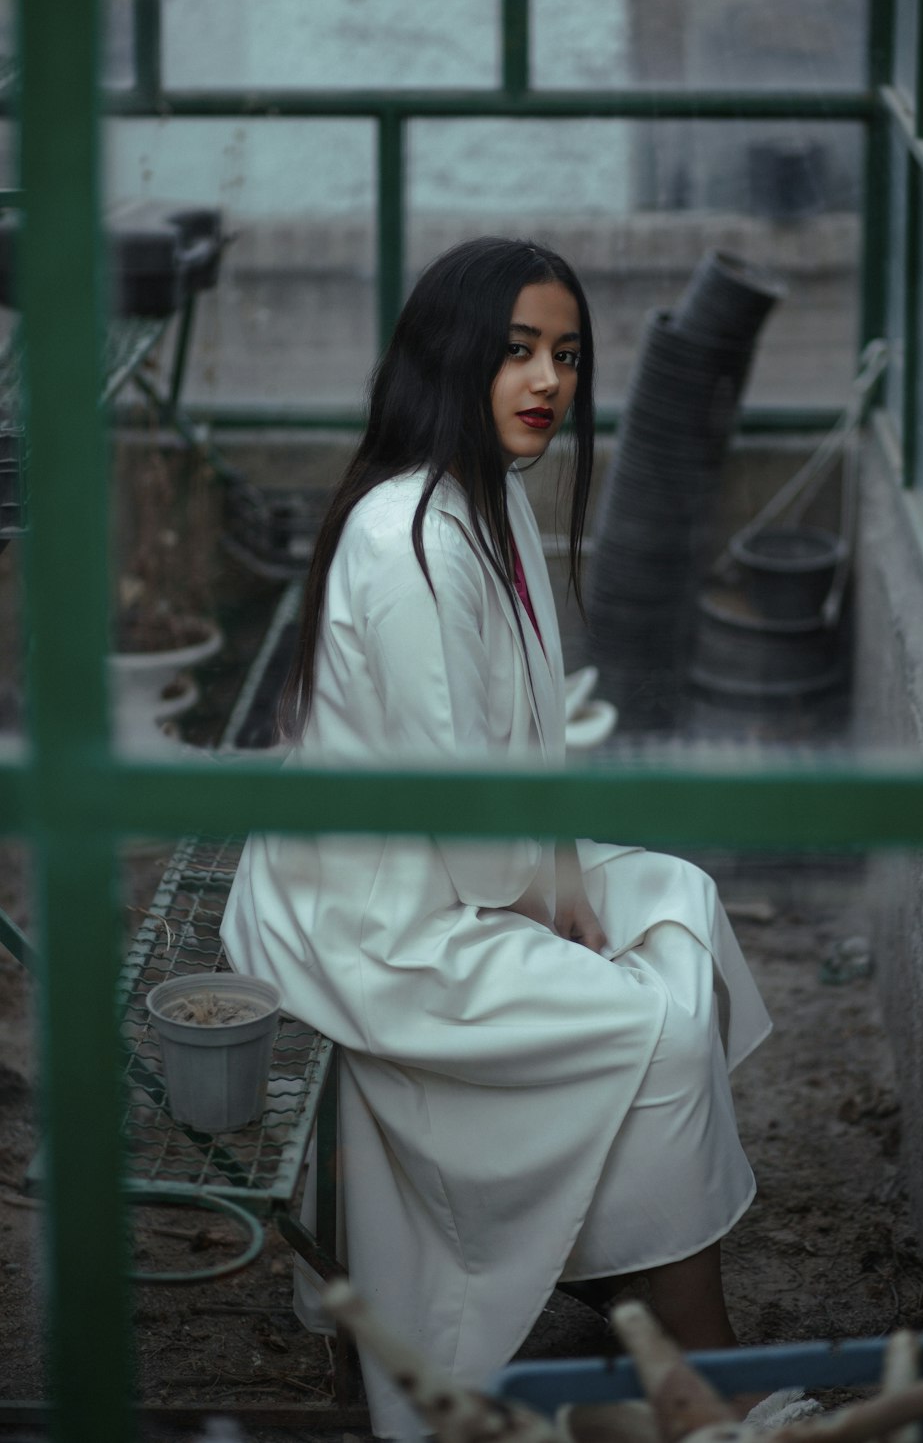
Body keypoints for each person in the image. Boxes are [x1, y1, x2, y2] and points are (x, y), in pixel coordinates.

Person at [221, 237, 772, 1439]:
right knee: (658, 1025)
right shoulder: (406, 542)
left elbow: (530, 735)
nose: (548, 381)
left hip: (462, 875)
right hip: (373, 924)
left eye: (566, 355)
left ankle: (627, 1259)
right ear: (453, 358)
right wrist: (551, 910)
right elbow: (460, 821)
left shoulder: (491, 500)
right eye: (517, 350)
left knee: (677, 900)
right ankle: (703, 1363)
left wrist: (569, 871)